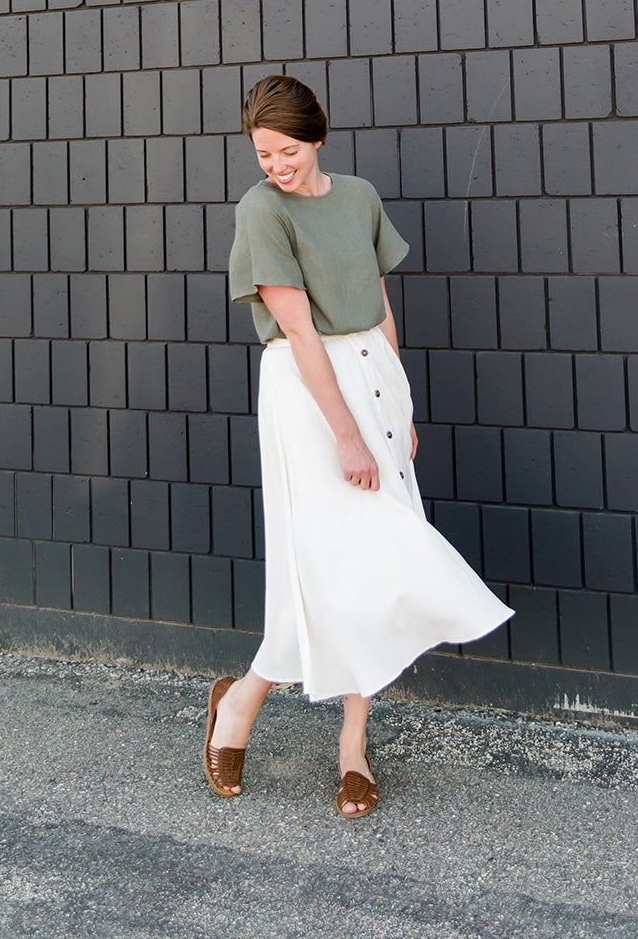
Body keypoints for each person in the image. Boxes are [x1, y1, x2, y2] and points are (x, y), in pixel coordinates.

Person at [203, 74, 514, 817]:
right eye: (262, 153)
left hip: (370, 376)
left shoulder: (360, 197)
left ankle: (352, 746)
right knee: (327, 564)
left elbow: (377, 307)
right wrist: (346, 434)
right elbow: (301, 330)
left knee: (374, 566)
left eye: (287, 151)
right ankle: (241, 701)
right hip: (307, 394)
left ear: (317, 138)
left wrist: (395, 405)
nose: (275, 165)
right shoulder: (260, 210)